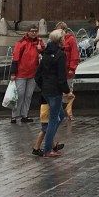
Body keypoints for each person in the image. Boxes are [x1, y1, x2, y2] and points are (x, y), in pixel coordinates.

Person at [34, 28, 70, 157]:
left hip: (46, 91)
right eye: (63, 38)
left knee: (60, 115)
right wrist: (67, 91)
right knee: (53, 120)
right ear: (60, 40)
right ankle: (48, 150)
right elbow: (62, 76)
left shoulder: (46, 53)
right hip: (55, 92)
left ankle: (49, 140)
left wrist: (43, 86)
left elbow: (37, 74)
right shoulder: (60, 54)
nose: (64, 40)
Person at [10, 23, 45, 123]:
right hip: (21, 74)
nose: (34, 33)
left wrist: (41, 50)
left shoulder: (39, 42)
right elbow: (15, 58)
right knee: (20, 95)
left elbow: (46, 54)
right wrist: (13, 73)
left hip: (33, 74)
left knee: (28, 95)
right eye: (32, 31)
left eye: (36, 31)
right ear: (28, 32)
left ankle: (24, 115)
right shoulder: (21, 43)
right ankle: (14, 115)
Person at [56, 22, 79, 119]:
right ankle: (59, 111)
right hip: (58, 71)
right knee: (58, 92)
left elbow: (75, 55)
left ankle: (69, 111)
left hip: (68, 70)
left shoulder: (71, 39)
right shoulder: (56, 40)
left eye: (61, 30)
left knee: (69, 91)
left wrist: (72, 68)